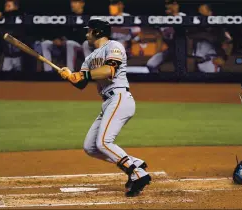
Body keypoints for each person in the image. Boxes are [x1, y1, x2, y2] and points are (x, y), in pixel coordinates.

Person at [58, 19, 151, 197]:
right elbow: (81, 83)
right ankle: (135, 163)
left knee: (103, 142)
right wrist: (69, 75)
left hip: (120, 98)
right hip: (108, 102)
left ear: (98, 32)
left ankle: (138, 174)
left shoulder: (114, 46)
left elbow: (110, 70)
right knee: (90, 147)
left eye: (89, 31)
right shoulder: (90, 57)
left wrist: (81, 74)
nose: (87, 34)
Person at [146, 0, 186, 73]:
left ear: (176, 5)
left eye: (169, 4)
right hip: (170, 50)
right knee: (151, 64)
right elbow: (160, 37)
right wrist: (157, 52)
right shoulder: (163, 20)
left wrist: (174, 13)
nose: (167, 6)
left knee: (180, 68)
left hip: (184, 50)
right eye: (166, 4)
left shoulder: (183, 16)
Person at [0, 0, 23, 71]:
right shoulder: (3, 18)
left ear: (16, 7)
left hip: (19, 56)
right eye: (5, 6)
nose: (6, 8)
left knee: (20, 77)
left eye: (9, 6)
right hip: (7, 57)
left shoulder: (20, 17)